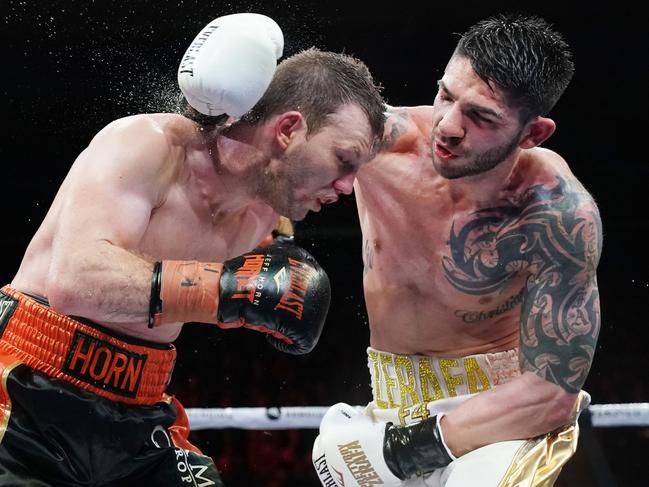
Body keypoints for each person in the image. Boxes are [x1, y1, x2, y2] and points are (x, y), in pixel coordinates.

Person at [0, 12, 385, 487]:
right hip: (26, 389)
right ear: (287, 130)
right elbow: (75, 282)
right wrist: (229, 290)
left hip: (140, 409)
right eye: (343, 161)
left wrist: (279, 267)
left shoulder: (267, 212)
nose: (347, 187)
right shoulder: (148, 145)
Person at [313, 14, 601, 487]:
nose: (446, 127)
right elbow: (282, 143)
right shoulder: (379, 142)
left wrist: (409, 451)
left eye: (481, 116)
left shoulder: (555, 212)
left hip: (504, 418)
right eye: (446, 95)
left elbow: (553, 392)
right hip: (389, 402)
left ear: (533, 134)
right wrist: (275, 235)